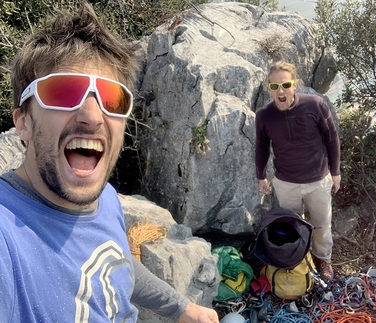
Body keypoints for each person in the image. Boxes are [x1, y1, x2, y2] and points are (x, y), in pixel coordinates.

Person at [0, 3, 219, 322]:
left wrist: (182, 307)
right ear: (23, 122)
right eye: (62, 93)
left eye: (111, 98)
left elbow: (115, 263)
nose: (91, 116)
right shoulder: (7, 237)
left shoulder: (104, 200)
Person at [255, 61, 341, 282]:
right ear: (269, 89)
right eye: (274, 87)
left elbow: (332, 139)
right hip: (286, 183)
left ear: (294, 85)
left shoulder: (316, 105)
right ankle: (298, 262)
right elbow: (262, 146)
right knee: (291, 227)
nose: (280, 91)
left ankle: (323, 259)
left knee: (322, 224)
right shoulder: (264, 115)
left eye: (285, 84)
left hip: (318, 180)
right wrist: (261, 175)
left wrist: (336, 171)